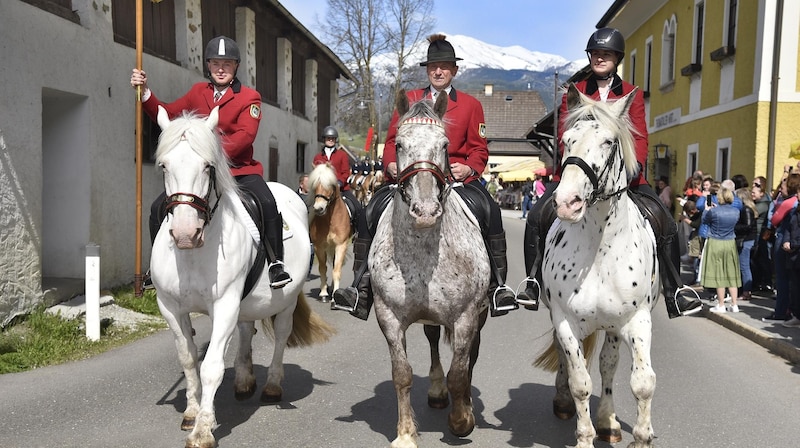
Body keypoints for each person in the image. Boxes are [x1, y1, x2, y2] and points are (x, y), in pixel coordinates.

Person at [518, 27, 703, 318]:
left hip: (623, 179)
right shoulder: (577, 93)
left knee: (664, 220)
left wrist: (634, 167)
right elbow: (566, 133)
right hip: (580, 175)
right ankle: (533, 282)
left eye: (606, 54)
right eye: (595, 53)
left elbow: (639, 135)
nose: (599, 58)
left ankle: (674, 290)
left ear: (617, 58)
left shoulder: (631, 94)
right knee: (538, 215)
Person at [332, 34, 518, 319]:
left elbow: (479, 149)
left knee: (491, 210)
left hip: (456, 180)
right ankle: (361, 286)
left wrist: (469, 168)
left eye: (444, 66)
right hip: (409, 178)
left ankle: (497, 286)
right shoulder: (409, 100)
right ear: (427, 71)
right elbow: (393, 141)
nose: (439, 71)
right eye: (433, 67)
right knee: (370, 211)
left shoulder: (470, 105)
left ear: (454, 70)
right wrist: (391, 165)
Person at [130, 35, 291, 288]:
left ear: (236, 66)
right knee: (156, 208)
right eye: (215, 63)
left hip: (239, 170)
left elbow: (245, 137)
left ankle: (276, 264)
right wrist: (145, 93)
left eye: (227, 64)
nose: (220, 69)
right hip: (201, 173)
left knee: (267, 202)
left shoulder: (250, 98)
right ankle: (155, 267)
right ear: (208, 65)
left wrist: (208, 151)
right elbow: (168, 113)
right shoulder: (197, 92)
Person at [762, 172, 799, 322]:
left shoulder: (788, 202)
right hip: (789, 241)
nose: (781, 186)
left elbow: (774, 219)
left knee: (782, 279)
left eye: (784, 182)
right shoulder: (793, 201)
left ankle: (781, 312)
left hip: (784, 240)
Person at [312, 125, 364, 232]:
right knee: (308, 209)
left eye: (333, 138)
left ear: (335, 140)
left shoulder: (342, 155)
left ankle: (357, 232)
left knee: (358, 208)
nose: (330, 140)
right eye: (328, 138)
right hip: (323, 191)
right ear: (324, 139)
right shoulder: (318, 157)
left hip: (341, 189)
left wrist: (339, 183)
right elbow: (316, 174)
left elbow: (345, 172)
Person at [701, 185, 742, 313]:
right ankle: (734, 304)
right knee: (732, 272)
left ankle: (721, 304)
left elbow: (705, 221)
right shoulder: (736, 211)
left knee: (720, 274)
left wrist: (707, 210)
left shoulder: (714, 211)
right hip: (730, 242)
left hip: (716, 242)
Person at [734, 188, 758, 300]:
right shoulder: (747, 209)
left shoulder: (746, 209)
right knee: (744, 266)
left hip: (746, 240)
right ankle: (744, 290)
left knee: (744, 266)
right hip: (747, 239)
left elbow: (747, 226)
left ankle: (746, 291)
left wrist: (734, 227)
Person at [750, 176, 774, 292]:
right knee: (757, 260)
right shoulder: (758, 202)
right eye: (753, 184)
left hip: (760, 235)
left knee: (762, 260)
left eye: (757, 185)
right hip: (756, 234)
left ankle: (765, 282)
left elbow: (753, 213)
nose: (753, 187)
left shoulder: (764, 204)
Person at [782, 191, 800, 327]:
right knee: (794, 287)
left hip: (797, 250)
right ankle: (796, 316)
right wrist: (786, 241)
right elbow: (788, 228)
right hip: (792, 255)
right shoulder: (794, 211)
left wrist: (794, 244)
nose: (797, 196)